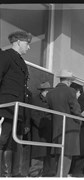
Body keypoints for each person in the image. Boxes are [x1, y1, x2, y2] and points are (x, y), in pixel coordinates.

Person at [0, 31, 32, 177]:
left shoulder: (21, 61)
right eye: (27, 43)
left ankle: (7, 174)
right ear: (18, 42)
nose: (29, 47)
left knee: (11, 143)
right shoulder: (6, 56)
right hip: (5, 108)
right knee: (2, 139)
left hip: (17, 110)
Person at [46, 69, 81, 177]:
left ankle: (58, 175)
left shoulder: (50, 93)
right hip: (69, 126)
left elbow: (48, 112)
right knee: (67, 154)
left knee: (58, 153)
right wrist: (79, 121)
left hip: (56, 126)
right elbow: (76, 110)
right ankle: (61, 176)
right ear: (69, 81)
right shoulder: (71, 91)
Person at [28, 81, 54, 177]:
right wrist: (41, 123)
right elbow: (33, 113)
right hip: (38, 130)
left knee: (47, 153)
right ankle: (34, 174)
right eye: (47, 91)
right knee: (38, 153)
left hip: (48, 130)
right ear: (43, 91)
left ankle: (45, 174)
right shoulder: (35, 100)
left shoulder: (50, 101)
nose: (49, 93)